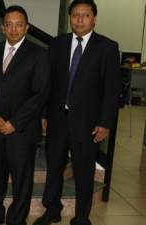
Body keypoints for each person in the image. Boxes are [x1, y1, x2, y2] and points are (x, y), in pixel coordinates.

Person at [33, 1, 122, 225]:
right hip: (57, 119)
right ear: (70, 18)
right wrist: (44, 114)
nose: (79, 20)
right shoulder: (57, 44)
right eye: (75, 15)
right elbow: (48, 83)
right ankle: (52, 209)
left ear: (94, 18)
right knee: (54, 168)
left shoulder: (108, 47)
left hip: (88, 123)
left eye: (85, 15)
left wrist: (105, 123)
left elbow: (112, 90)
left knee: (83, 172)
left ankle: (82, 217)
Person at [0, 5, 50, 225]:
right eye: (9, 24)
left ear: (27, 27)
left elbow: (40, 94)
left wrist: (14, 123)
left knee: (21, 178)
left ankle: (17, 219)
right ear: (2, 28)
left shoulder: (39, 54)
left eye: (19, 24)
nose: (14, 29)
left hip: (22, 129)